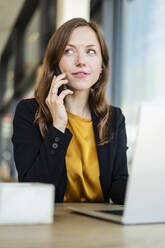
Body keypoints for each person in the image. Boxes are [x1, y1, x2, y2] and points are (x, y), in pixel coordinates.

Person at [12, 18, 128, 204]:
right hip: (51, 226)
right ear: (56, 63)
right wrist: (58, 127)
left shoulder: (113, 118)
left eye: (90, 51)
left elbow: (118, 185)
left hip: (101, 228)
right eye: (69, 51)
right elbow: (34, 190)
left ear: (101, 66)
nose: (81, 61)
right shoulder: (29, 112)